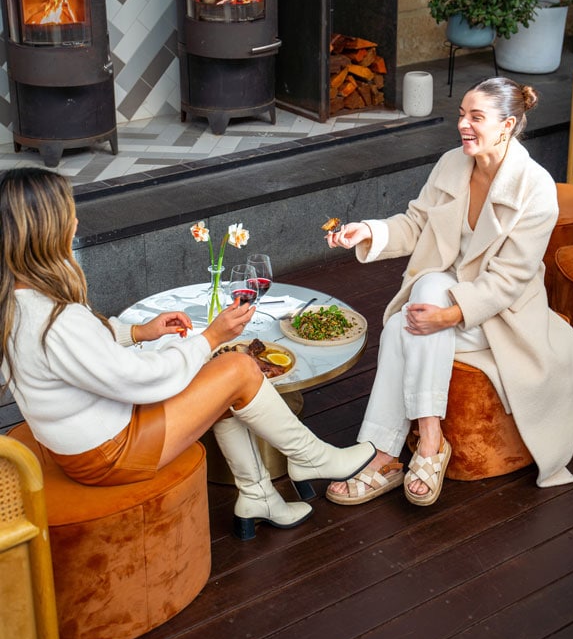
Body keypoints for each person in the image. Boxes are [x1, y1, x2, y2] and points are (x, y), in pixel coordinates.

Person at [0, 168, 375, 541]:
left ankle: (258, 495)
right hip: (110, 455)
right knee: (239, 367)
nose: (76, 221)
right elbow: (140, 379)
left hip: (87, 441)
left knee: (215, 377)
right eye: (69, 213)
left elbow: (82, 351)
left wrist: (137, 332)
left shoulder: (18, 305)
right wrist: (210, 338)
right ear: (45, 231)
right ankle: (311, 457)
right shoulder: (55, 319)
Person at [325, 76, 573, 507]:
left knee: (408, 319)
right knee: (421, 300)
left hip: (502, 317)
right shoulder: (452, 164)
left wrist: (449, 315)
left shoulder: (535, 189)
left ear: (508, 125)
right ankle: (424, 445)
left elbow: (509, 281)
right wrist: (367, 231)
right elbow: (415, 224)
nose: (463, 124)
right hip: (444, 294)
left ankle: (387, 454)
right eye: (462, 114)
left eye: (476, 117)